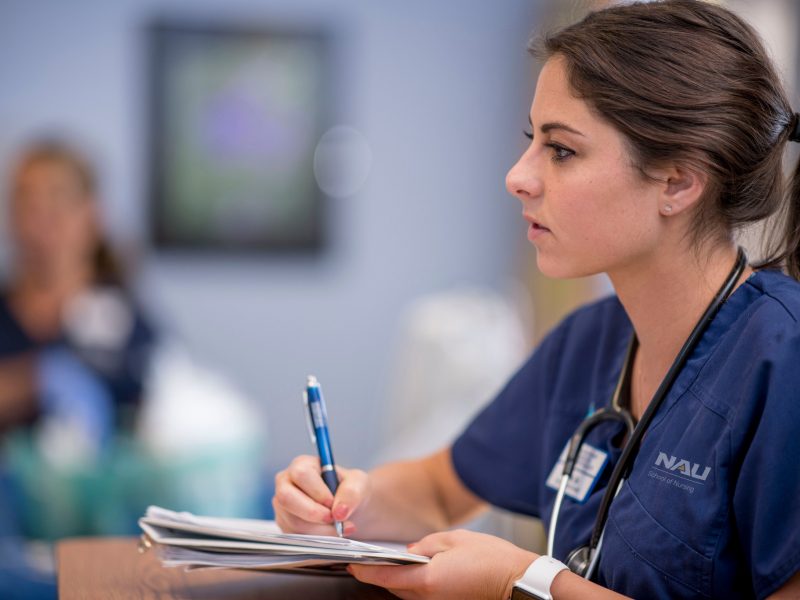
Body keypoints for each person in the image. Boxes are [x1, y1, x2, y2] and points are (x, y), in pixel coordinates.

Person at [273, 1, 800, 598]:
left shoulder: (782, 361)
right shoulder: (589, 344)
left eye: (562, 150)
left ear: (677, 181)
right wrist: (340, 501)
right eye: (533, 141)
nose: (517, 176)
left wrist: (519, 581)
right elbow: (438, 491)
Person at [0, 139, 157, 599]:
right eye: (25, 201)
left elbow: (157, 430)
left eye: (56, 198)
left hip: (103, 545)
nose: (40, 218)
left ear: (92, 214)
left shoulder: (125, 323)